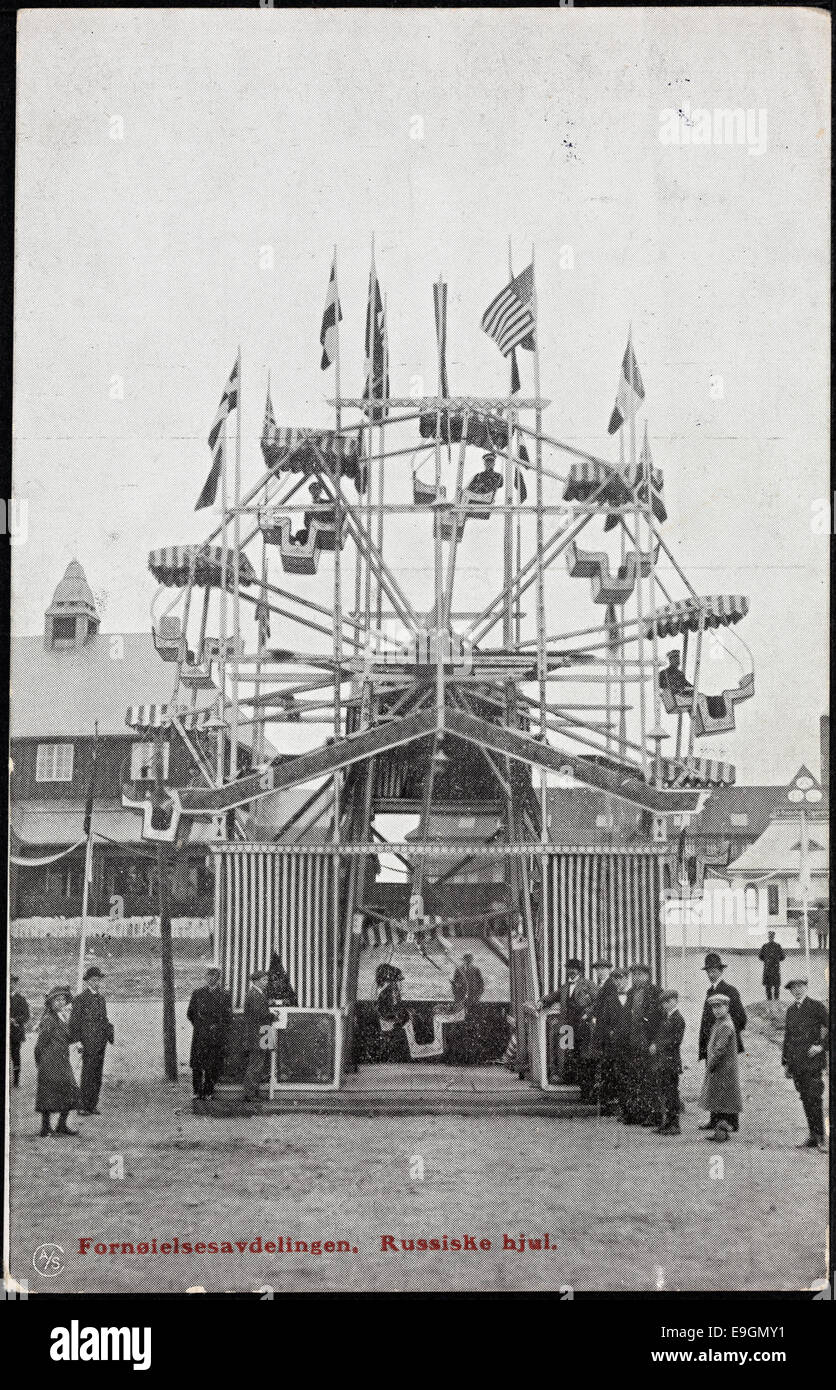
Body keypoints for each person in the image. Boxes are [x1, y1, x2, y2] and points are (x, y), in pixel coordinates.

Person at [697, 955, 746, 1125]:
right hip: (711, 1045)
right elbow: (706, 1021)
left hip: (724, 1046)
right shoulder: (709, 991)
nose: (711, 974)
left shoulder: (730, 991)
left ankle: (731, 1121)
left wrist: (727, 1037)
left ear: (721, 971)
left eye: (714, 971)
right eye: (708, 971)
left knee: (727, 1083)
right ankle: (714, 1119)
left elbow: (741, 1018)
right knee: (714, 1083)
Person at [781, 978, 828, 1151]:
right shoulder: (791, 1010)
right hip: (797, 1063)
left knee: (815, 1098)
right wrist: (785, 1062)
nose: (797, 990)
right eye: (794, 988)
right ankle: (812, 1136)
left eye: (800, 986)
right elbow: (787, 1037)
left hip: (813, 1062)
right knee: (805, 1099)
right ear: (790, 991)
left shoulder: (816, 1006)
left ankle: (822, 1138)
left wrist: (821, 1046)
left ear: (806, 987)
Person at [542, 958, 595, 1092]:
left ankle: (582, 1081)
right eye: (569, 968)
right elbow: (553, 996)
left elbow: (597, 1001)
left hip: (582, 1024)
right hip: (567, 1024)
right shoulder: (565, 987)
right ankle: (569, 1078)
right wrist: (542, 1001)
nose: (571, 971)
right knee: (568, 1051)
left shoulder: (588, 984)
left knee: (582, 1051)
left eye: (573, 969)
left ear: (579, 970)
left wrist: (587, 1013)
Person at [35, 987, 81, 1137]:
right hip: (50, 1062)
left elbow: (66, 1037)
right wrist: (40, 1061)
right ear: (51, 1002)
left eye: (63, 1000)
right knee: (49, 1093)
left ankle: (61, 1125)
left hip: (62, 1060)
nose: (61, 1002)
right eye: (57, 1000)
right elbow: (41, 1043)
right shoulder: (49, 1019)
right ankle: (45, 1127)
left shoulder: (61, 1017)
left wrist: (79, 1042)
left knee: (69, 1090)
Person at [68, 966, 114, 1115]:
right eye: (93, 980)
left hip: (100, 1042)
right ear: (87, 981)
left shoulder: (101, 999)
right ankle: (82, 1106)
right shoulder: (80, 999)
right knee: (87, 1074)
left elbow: (104, 1019)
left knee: (97, 1074)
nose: (96, 983)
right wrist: (77, 1041)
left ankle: (92, 1104)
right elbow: (74, 1022)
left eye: (98, 980)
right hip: (88, 1042)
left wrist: (109, 1032)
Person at [622, 965, 663, 1125]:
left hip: (648, 1042)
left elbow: (659, 1019)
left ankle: (653, 1116)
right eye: (634, 975)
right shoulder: (631, 993)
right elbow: (626, 1016)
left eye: (640, 974)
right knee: (636, 1078)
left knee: (650, 1079)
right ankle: (637, 1113)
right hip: (634, 1041)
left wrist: (654, 1042)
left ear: (647, 976)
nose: (636, 978)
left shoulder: (656, 992)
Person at [699, 993, 742, 1139]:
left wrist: (710, 1065)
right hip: (721, 1068)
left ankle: (722, 1132)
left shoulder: (725, 1025)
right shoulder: (720, 1022)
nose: (716, 1010)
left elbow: (719, 1049)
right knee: (720, 1099)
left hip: (723, 1068)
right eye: (714, 1007)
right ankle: (720, 1129)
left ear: (727, 1007)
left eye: (720, 1007)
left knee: (722, 1100)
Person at [187, 967, 232, 1105]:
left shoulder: (224, 995)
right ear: (205, 977)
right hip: (200, 1035)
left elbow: (227, 1017)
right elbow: (190, 1013)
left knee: (212, 1065)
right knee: (197, 1065)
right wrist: (201, 1026)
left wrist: (216, 1028)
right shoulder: (197, 993)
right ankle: (196, 1092)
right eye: (209, 976)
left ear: (218, 978)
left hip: (215, 1035)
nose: (211, 978)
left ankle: (208, 1092)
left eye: (214, 976)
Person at [594, 966, 631, 1114]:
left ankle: (626, 1106)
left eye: (622, 979)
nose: (619, 983)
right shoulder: (609, 1000)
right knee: (611, 1072)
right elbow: (603, 1021)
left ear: (627, 980)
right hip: (613, 1043)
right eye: (616, 979)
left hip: (628, 1042)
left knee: (627, 1073)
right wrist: (609, 1033)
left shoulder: (632, 997)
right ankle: (611, 1104)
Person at [650, 989, 686, 1135]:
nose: (665, 1005)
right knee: (665, 1092)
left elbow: (675, 1041)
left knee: (672, 1093)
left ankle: (674, 1124)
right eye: (663, 1002)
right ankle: (668, 1122)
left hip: (671, 1061)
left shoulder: (678, 1019)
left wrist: (657, 1046)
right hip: (663, 1061)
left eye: (668, 1001)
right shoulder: (667, 1017)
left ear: (675, 1001)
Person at [242, 969, 273, 1105]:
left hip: (261, 1033)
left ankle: (253, 1092)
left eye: (266, 980)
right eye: (264, 980)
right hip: (258, 1035)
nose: (266, 982)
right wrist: (273, 1016)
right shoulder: (254, 994)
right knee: (256, 1064)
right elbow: (260, 1014)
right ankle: (249, 1094)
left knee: (258, 1064)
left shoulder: (257, 993)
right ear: (255, 981)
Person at [450, 953, 485, 1064]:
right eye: (466, 959)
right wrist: (456, 991)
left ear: (472, 960)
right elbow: (454, 984)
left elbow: (481, 985)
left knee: (471, 1024)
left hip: (473, 1001)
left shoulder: (476, 970)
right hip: (461, 1001)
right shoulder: (458, 969)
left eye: (469, 959)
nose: (467, 961)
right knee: (460, 1024)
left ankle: (470, 1053)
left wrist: (477, 997)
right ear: (464, 960)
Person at [375, 963, 410, 1063]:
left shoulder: (383, 988)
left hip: (386, 1020)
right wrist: (405, 1015)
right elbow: (394, 1008)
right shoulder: (391, 990)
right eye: (399, 980)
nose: (400, 983)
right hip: (390, 1022)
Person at [10, 974, 30, 1088]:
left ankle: (16, 1079)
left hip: (15, 1033)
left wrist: (15, 1020)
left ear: (15, 984)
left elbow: (26, 1016)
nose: (10, 985)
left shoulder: (21, 999)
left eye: (12, 982)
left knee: (15, 1056)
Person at [759, 932, 785, 1001]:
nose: (771, 938)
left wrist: (768, 960)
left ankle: (774, 1001)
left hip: (770, 969)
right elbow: (760, 956)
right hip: (773, 969)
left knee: (774, 987)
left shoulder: (769, 946)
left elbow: (783, 957)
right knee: (770, 987)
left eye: (771, 937)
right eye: (770, 937)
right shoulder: (769, 946)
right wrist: (775, 960)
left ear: (772, 937)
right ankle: (771, 1001)